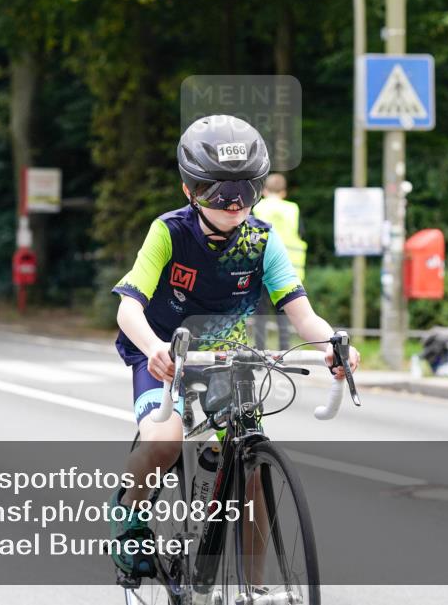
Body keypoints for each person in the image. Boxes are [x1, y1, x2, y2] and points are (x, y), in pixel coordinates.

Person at [107, 114, 360, 578]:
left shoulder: (262, 239)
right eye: (217, 192)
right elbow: (128, 308)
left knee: (254, 475)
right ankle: (128, 513)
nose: (233, 204)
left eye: (246, 191)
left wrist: (331, 343)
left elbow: (302, 313)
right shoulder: (169, 232)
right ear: (189, 191)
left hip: (228, 358)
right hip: (165, 352)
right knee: (164, 441)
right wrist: (155, 347)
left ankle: (253, 587)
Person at [251, 173, 307, 351]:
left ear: (264, 191)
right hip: (288, 271)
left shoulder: (256, 208)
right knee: (284, 314)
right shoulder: (293, 209)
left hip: (259, 269)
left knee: (260, 315)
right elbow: (301, 235)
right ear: (283, 192)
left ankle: (259, 352)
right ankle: (284, 353)